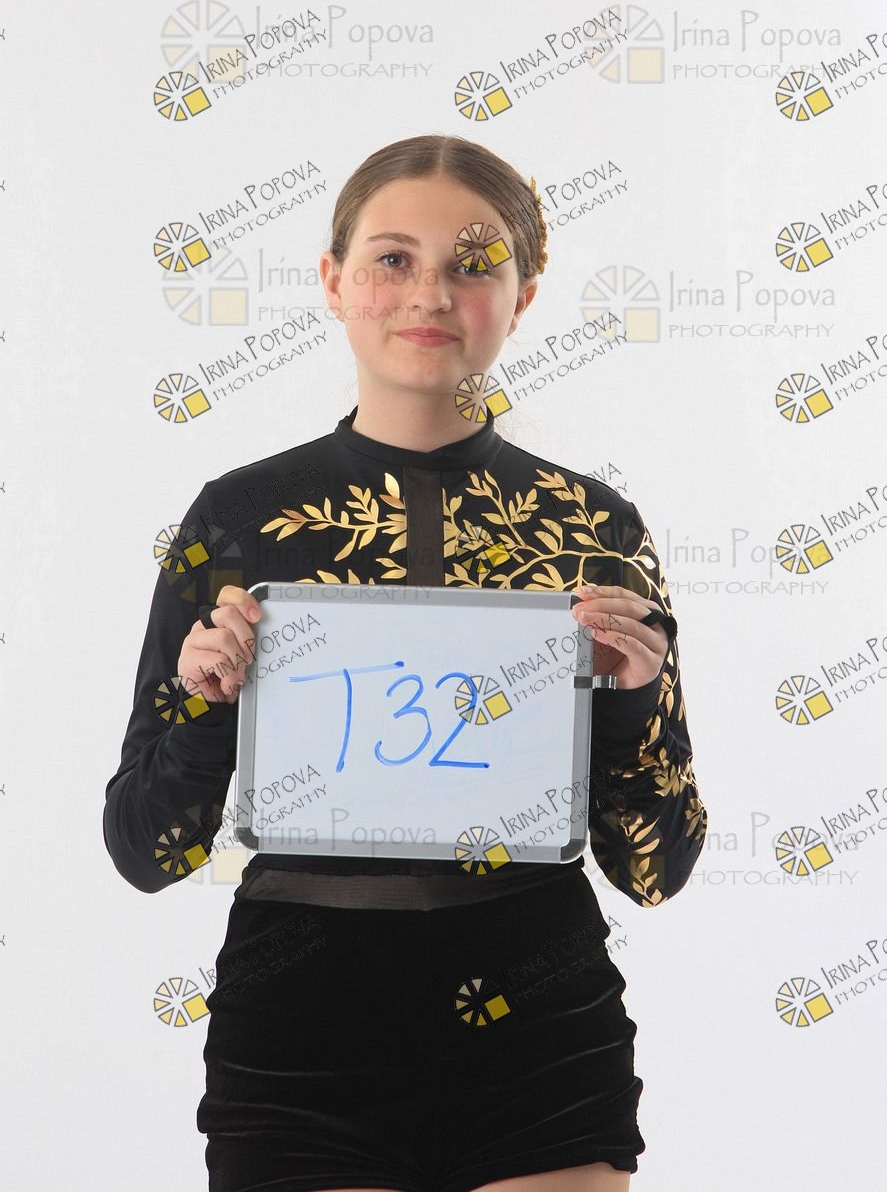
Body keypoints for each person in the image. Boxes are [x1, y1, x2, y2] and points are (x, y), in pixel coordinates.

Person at [103, 133, 708, 1192]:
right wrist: (208, 706)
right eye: (392, 258)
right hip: (302, 1021)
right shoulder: (239, 518)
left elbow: (654, 868)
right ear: (334, 281)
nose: (430, 292)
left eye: (473, 263)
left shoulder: (594, 527)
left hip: (541, 1011)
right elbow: (146, 848)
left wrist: (632, 697)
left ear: (521, 296)